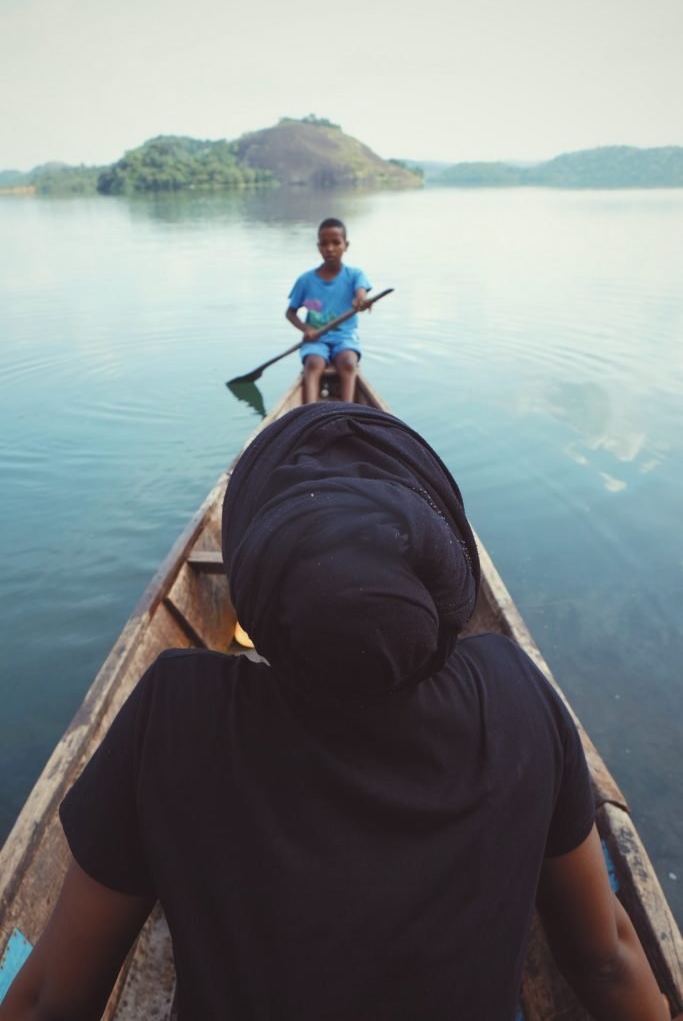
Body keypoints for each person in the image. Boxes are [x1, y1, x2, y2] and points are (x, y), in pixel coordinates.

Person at [0, 403, 677, 1021]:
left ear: (257, 597)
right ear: (444, 580)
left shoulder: (176, 711)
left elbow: (51, 1001)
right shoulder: (513, 690)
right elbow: (606, 958)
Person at [285, 217, 371, 403]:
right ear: (318, 247)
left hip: (344, 337)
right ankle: (311, 413)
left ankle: (347, 411)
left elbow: (361, 294)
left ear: (345, 245)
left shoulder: (355, 275)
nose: (330, 248)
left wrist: (361, 300)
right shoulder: (306, 280)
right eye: (324, 243)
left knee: (348, 363)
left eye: (335, 243)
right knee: (313, 364)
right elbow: (290, 313)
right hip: (317, 338)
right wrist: (306, 329)